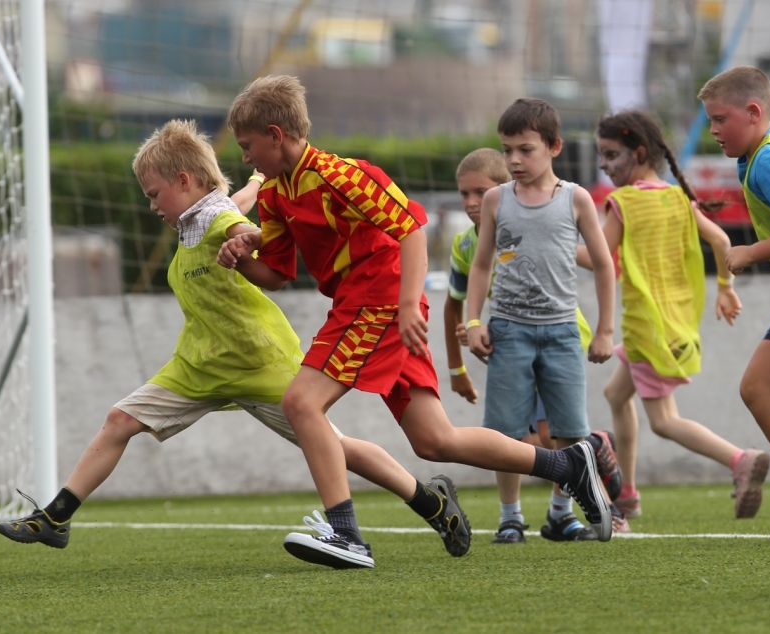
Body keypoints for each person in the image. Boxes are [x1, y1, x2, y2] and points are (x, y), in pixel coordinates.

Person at [0, 119, 466, 557]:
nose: (151, 205)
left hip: (261, 363)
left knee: (335, 448)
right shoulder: (192, 222)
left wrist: (248, 233)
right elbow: (229, 204)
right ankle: (55, 518)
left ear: (184, 180)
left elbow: (234, 220)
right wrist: (256, 186)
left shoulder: (220, 220)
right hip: (200, 365)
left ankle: (429, 503)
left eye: (155, 193)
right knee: (119, 420)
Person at [217, 76, 612, 570]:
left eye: (248, 146)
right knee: (435, 441)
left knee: (301, 402)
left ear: (276, 135)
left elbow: (411, 230)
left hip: (379, 300)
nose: (247, 159)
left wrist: (407, 306)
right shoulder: (277, 194)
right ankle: (568, 464)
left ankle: (346, 535)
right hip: (362, 304)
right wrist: (235, 256)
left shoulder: (343, 174)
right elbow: (275, 274)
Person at [578, 109, 765, 520]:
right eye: (602, 157)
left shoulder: (623, 201)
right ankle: (626, 492)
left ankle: (739, 460)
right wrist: (725, 289)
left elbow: (597, 257)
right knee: (616, 393)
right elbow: (719, 239)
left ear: (639, 152)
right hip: (674, 323)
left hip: (647, 328)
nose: (605, 166)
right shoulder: (677, 196)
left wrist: (547, 246)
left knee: (664, 420)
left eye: (611, 155)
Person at [447, 147, 623, 544]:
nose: (472, 202)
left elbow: (599, 261)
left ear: (552, 147)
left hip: (562, 332)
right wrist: (469, 331)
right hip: (508, 334)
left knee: (560, 433)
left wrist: (604, 329)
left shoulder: (570, 201)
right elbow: (461, 294)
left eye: (524, 149)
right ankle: (512, 516)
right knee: (509, 434)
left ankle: (561, 511)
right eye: (465, 195)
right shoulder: (467, 242)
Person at [700, 66, 770, 539]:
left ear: (753, 113)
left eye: (719, 119)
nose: (712, 130)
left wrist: (751, 251)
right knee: (757, 389)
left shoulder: (769, 160)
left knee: (758, 388)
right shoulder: (754, 159)